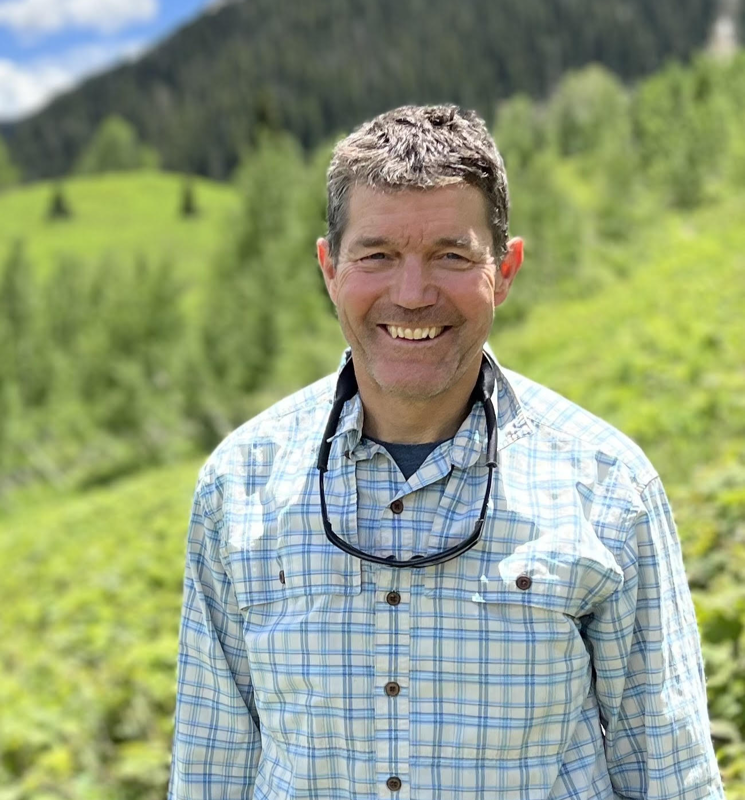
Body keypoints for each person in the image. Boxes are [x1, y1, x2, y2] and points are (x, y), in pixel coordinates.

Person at [167, 105, 725, 799]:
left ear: (507, 269)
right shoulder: (237, 484)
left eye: (450, 256)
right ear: (329, 268)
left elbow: (670, 773)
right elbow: (209, 771)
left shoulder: (608, 484)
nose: (412, 293)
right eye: (378, 256)